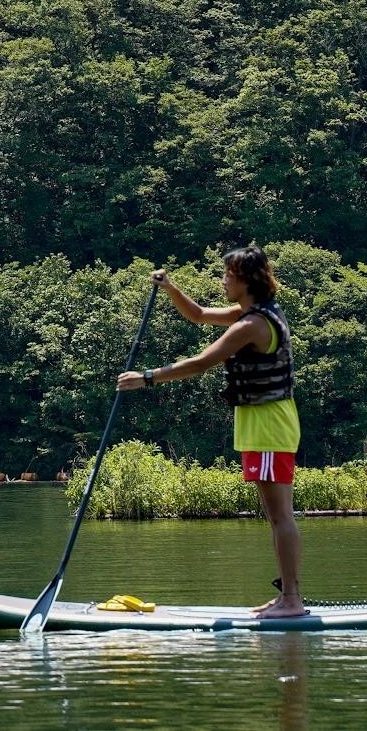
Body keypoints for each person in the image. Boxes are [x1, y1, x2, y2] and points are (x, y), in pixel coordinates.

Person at [117, 245, 305, 617]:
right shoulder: (250, 313)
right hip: (266, 424)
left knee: (280, 515)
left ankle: (291, 601)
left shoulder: (252, 325)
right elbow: (200, 315)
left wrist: (147, 378)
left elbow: (201, 363)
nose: (222, 281)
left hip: (269, 426)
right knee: (277, 515)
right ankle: (288, 596)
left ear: (245, 281)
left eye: (227, 276)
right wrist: (171, 288)